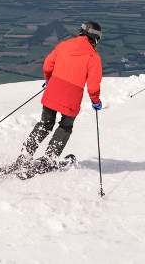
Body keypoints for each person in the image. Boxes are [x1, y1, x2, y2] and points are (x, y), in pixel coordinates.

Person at [8, 21, 103, 175]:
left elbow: (47, 65)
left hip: (53, 91)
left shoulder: (64, 45)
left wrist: (48, 79)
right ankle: (48, 159)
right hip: (72, 98)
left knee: (45, 124)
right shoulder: (93, 57)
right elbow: (93, 86)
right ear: (96, 38)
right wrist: (96, 101)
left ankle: (25, 155)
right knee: (65, 127)